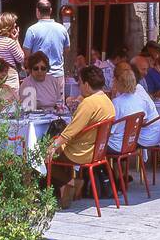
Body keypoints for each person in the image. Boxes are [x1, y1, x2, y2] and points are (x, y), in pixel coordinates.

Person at [48, 65, 116, 207]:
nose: (79, 87)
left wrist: (53, 145)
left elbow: (70, 131)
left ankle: (69, 182)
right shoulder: (107, 101)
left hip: (80, 152)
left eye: (79, 83)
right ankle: (71, 184)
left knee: (43, 158)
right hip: (97, 151)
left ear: (86, 84)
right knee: (56, 150)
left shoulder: (89, 103)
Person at [22, 0, 70, 88]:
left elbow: (26, 54)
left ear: (37, 11)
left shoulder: (32, 30)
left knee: (39, 101)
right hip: (57, 75)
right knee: (58, 101)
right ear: (50, 10)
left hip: (38, 75)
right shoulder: (62, 29)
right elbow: (67, 50)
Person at [0, 12, 26, 87]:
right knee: (11, 97)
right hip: (9, 76)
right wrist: (16, 40)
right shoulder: (10, 42)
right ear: (9, 27)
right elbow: (21, 58)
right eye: (14, 26)